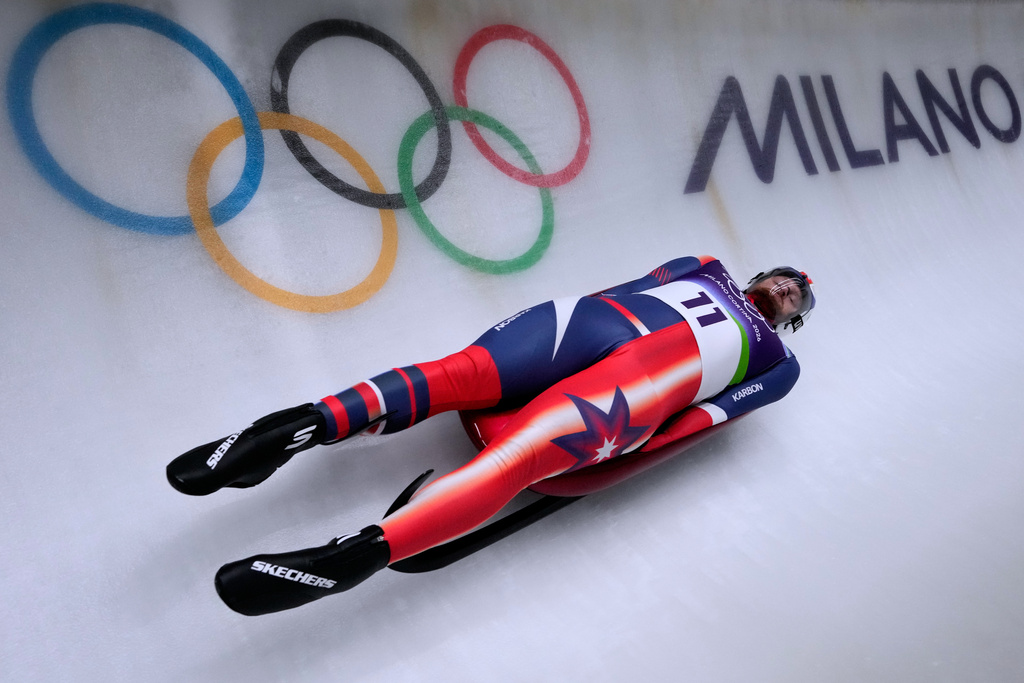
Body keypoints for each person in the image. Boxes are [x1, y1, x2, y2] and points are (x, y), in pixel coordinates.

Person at [166, 255, 816, 615]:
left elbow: (700, 423)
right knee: (462, 371)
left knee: (525, 452)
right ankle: (297, 427)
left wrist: (617, 458)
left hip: (644, 385)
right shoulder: (703, 263)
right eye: (786, 278)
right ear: (763, 271)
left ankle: (354, 554)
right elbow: (626, 285)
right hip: (588, 323)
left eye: (796, 301)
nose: (787, 290)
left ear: (790, 322)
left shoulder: (777, 366)